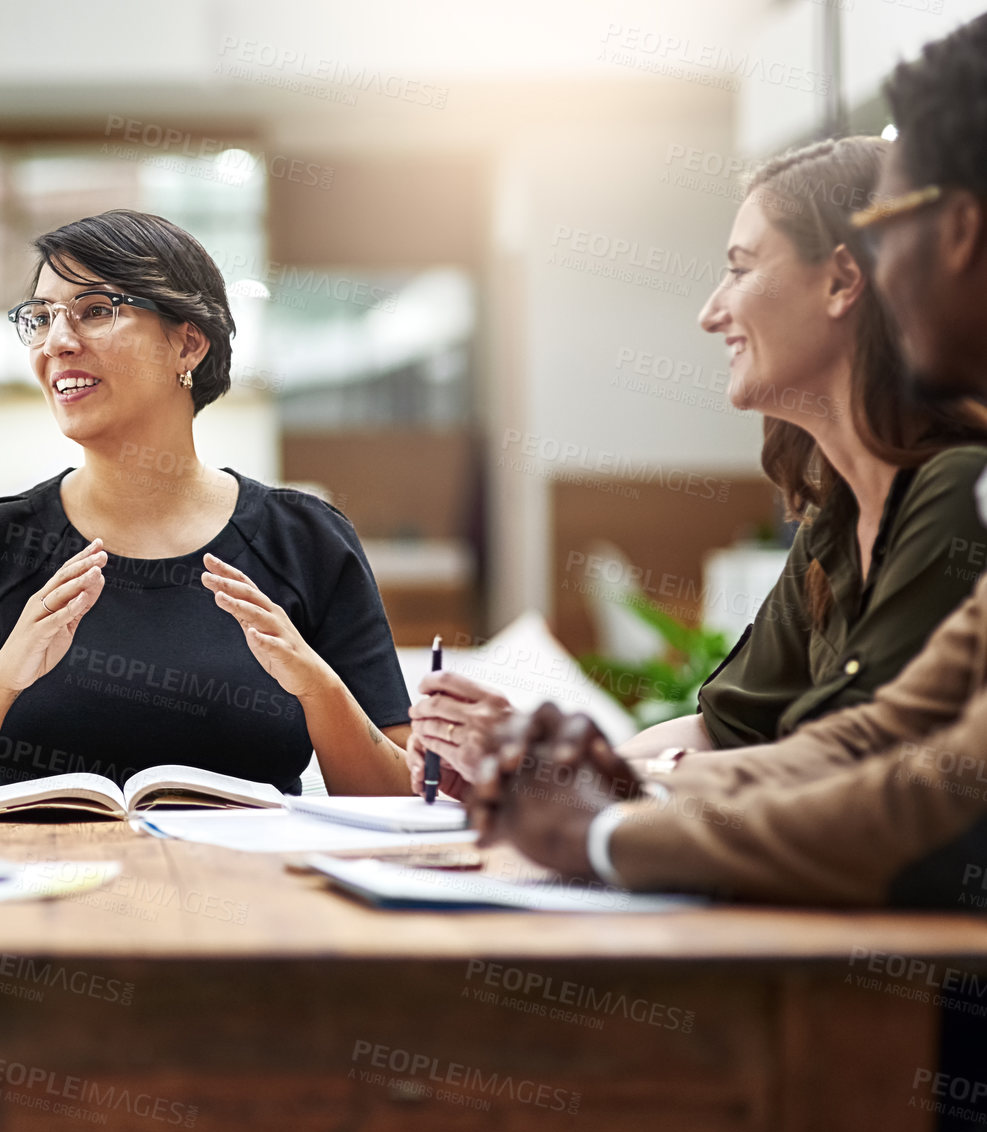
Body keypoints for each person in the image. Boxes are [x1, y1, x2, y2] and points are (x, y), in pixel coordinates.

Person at [469, 10, 987, 907]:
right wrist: (588, 784)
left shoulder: (953, 490)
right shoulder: (860, 512)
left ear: (958, 231)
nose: (710, 313)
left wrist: (603, 821)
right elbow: (864, 742)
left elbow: (922, 798)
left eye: (891, 222)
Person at [411, 137, 987, 795]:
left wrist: (567, 770)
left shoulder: (958, 496)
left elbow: (845, 774)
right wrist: (534, 776)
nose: (710, 312)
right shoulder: (836, 521)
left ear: (841, 280)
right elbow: (719, 730)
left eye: (739, 270)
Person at [0, 210, 413, 801]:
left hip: (252, 884)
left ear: (187, 342)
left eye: (96, 309)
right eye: (42, 316)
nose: (57, 341)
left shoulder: (306, 540)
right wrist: (0, 679)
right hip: (39, 882)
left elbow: (401, 802)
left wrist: (320, 690)